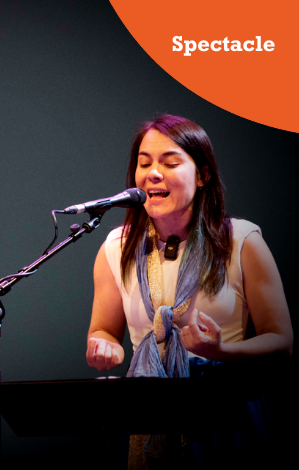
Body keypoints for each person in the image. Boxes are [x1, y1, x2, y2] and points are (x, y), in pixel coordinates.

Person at [85, 115, 292, 468]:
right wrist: (102, 346)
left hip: (225, 414)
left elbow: (282, 342)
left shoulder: (241, 241)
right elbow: (103, 330)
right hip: (146, 414)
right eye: (144, 162)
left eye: (170, 162)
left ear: (203, 174)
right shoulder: (114, 247)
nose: (152, 173)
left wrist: (221, 350)